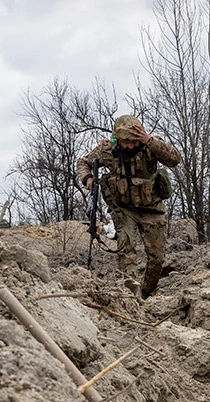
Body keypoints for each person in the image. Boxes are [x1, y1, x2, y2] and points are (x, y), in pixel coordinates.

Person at [76, 115, 181, 297]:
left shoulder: (151, 146)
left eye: (134, 141)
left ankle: (146, 293)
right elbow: (83, 162)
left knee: (157, 258)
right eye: (126, 141)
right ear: (117, 138)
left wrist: (149, 140)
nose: (130, 145)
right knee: (127, 249)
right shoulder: (107, 150)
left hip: (152, 209)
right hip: (123, 209)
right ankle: (130, 295)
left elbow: (174, 159)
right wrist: (88, 178)